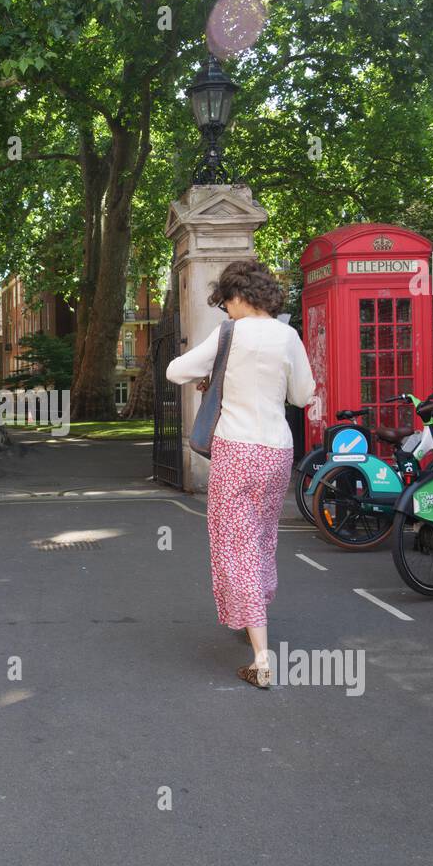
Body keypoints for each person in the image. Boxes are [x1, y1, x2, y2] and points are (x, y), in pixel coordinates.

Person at [166, 259, 316, 689]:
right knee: (262, 537)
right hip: (278, 451)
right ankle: (252, 612)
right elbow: (303, 394)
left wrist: (214, 371)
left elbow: (176, 370)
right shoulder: (288, 336)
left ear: (236, 296)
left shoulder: (231, 333)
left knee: (236, 546)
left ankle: (261, 658)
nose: (225, 311)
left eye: (225, 303)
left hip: (237, 451)